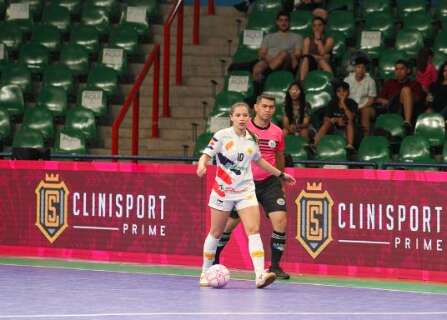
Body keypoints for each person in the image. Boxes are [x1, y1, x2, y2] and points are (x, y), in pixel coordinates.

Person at [197, 101, 296, 288]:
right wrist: (202, 164)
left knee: (253, 230)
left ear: (249, 118)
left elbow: (260, 161)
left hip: (245, 191)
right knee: (216, 232)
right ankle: (204, 272)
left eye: (245, 115)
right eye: (238, 115)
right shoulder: (221, 136)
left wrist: (281, 174)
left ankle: (260, 275)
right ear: (231, 118)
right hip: (223, 191)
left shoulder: (252, 138)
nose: (242, 118)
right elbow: (206, 154)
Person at [252, 11, 303, 83]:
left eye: (286, 20)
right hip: (269, 61)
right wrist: (271, 59)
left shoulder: (297, 37)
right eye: (281, 20)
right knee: (257, 68)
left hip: (286, 63)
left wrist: (292, 56)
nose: (283, 23)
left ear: (289, 22)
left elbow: (298, 53)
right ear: (277, 22)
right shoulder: (268, 36)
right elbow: (262, 53)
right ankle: (257, 91)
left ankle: (265, 75)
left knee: (284, 53)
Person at [376, 60, 426, 128]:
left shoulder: (414, 84)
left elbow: (418, 99)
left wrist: (405, 96)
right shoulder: (390, 83)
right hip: (392, 108)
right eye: (397, 69)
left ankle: (407, 123)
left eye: (402, 69)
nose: (399, 72)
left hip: (410, 109)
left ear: (408, 71)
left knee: (406, 90)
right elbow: (378, 99)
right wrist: (385, 101)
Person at [314, 81, 357, 149]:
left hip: (347, 127)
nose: (341, 93)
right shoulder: (332, 103)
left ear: (348, 92)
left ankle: (350, 146)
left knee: (349, 122)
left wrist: (343, 104)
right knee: (327, 123)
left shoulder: (352, 103)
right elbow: (325, 119)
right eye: (339, 91)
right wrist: (336, 120)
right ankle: (315, 145)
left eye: (344, 91)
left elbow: (351, 118)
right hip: (334, 126)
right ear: (336, 93)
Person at [344, 57, 377, 136]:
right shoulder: (347, 80)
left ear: (365, 70)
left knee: (365, 111)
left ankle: (366, 139)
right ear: (355, 68)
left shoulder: (370, 81)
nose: (361, 70)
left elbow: (371, 100)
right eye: (358, 67)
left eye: (363, 68)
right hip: (351, 107)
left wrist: (360, 108)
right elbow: (343, 96)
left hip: (365, 106)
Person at [299, 16, 334, 80]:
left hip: (324, 63)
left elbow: (322, 52)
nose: (317, 28)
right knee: (306, 59)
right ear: (312, 28)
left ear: (324, 26)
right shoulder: (307, 40)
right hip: (310, 64)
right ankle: (302, 83)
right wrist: (317, 57)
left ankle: (331, 81)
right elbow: (305, 56)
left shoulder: (329, 40)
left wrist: (319, 40)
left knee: (322, 61)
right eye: (314, 26)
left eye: (319, 25)